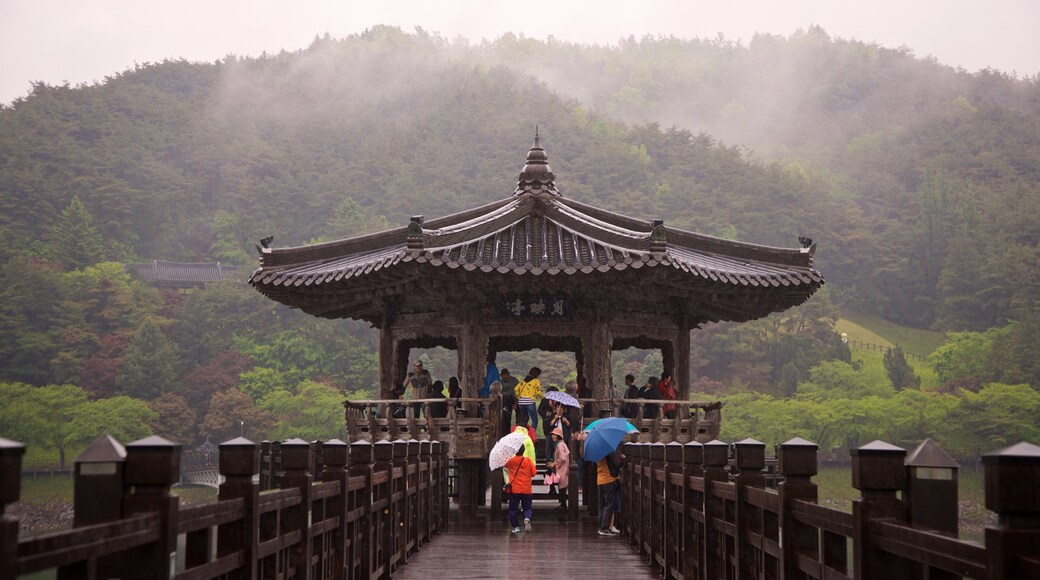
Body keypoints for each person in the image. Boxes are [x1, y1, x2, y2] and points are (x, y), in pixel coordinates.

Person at [503, 447, 537, 533]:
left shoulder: (511, 461)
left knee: (513, 508)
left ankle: (516, 527)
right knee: (527, 507)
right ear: (524, 451)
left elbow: (505, 464)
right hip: (526, 489)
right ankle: (527, 518)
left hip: (514, 489)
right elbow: (533, 473)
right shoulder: (528, 461)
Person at [597, 448, 624, 536]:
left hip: (600, 479)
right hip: (609, 479)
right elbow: (618, 463)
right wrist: (622, 457)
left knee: (602, 505)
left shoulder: (598, 451)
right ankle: (605, 527)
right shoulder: (609, 449)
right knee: (609, 504)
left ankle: (601, 527)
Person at [515, 367, 544, 431]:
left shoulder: (523, 381)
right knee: (534, 419)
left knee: (525, 418)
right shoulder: (536, 381)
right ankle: (532, 433)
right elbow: (538, 392)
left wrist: (518, 396)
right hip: (530, 401)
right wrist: (544, 398)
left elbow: (516, 389)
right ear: (537, 374)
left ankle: (523, 431)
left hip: (521, 402)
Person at [550, 426, 570, 509]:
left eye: (554, 434)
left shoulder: (559, 445)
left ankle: (563, 504)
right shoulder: (563, 444)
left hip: (562, 469)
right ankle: (563, 504)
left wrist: (554, 463)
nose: (552, 436)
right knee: (562, 487)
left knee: (562, 487)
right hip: (564, 468)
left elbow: (562, 458)